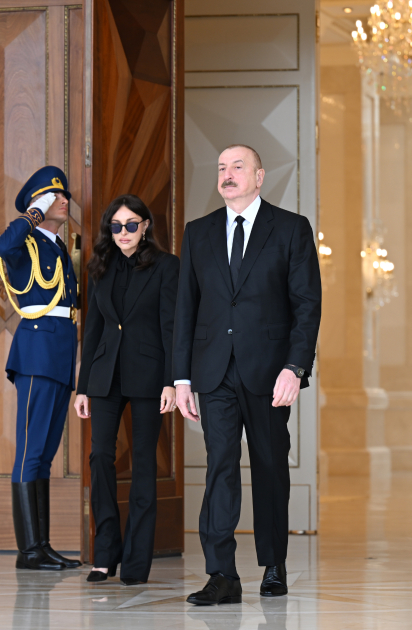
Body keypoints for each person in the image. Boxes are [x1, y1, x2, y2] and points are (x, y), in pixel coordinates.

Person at [173, 145, 322, 605]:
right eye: (221, 167)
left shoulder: (291, 228)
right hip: (213, 372)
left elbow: (307, 305)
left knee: (270, 466)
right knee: (219, 465)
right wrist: (181, 379)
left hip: (270, 371)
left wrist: (295, 367)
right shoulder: (197, 232)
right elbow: (185, 308)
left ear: (259, 176)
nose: (227, 174)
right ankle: (222, 574)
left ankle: (274, 564)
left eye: (238, 167)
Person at [74, 194, 180, 585]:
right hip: (105, 376)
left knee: (143, 464)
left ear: (145, 226)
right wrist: (82, 387)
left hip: (150, 375)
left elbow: (171, 327)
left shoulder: (167, 266)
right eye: (116, 226)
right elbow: (94, 328)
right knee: (100, 456)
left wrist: (172, 380)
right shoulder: (99, 266)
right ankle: (104, 554)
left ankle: (136, 562)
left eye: (131, 225)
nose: (123, 233)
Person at [0, 166, 82, 571]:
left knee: (44, 454)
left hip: (59, 352)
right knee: (31, 451)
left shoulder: (59, 247)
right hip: (36, 353)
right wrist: (33, 213)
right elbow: (3, 244)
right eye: (54, 196)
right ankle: (28, 550)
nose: (64, 200)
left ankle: (41, 545)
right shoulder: (25, 242)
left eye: (63, 195)